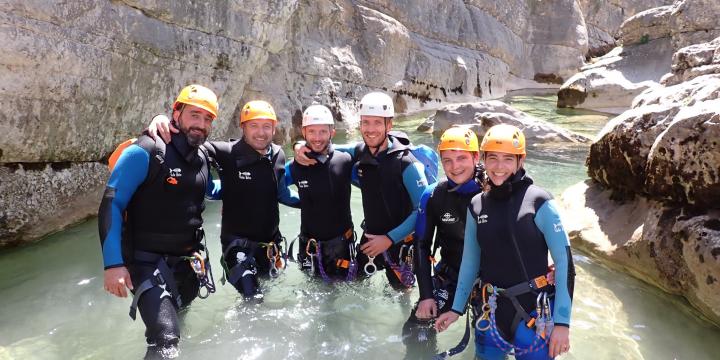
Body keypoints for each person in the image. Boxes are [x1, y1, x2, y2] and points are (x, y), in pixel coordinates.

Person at [435, 124, 576, 359]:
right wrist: (456, 309)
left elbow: (565, 263)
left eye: (508, 159)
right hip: (491, 312)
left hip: (533, 314)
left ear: (520, 160)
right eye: (493, 158)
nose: (499, 167)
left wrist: (563, 324)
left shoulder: (539, 201)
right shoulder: (477, 205)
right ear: (484, 160)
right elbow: (470, 262)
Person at [99, 84, 218, 358]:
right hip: (146, 262)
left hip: (187, 265)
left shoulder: (201, 157)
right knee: (166, 342)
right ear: (176, 113)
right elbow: (111, 204)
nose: (200, 124)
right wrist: (113, 265)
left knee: (177, 328)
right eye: (194, 115)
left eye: (207, 118)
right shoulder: (147, 149)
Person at [148, 100, 299, 300]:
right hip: (237, 246)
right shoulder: (226, 152)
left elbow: (280, 193)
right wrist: (161, 120)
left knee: (265, 291)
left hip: (270, 245)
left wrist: (313, 202)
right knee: (254, 298)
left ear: (274, 128)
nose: (261, 133)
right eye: (254, 125)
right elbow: (189, 144)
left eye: (266, 126)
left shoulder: (278, 155)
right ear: (243, 127)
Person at [294, 92, 429, 289]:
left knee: (402, 296)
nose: (370, 129)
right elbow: (326, 147)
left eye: (377, 123)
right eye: (366, 122)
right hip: (370, 240)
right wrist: (300, 146)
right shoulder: (360, 151)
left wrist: (389, 239)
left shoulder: (407, 163)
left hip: (400, 243)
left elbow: (422, 210)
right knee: (354, 286)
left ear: (389, 125)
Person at [401, 127, 484, 351]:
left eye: (461, 158)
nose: (454, 166)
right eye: (447, 160)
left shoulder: (493, 191)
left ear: (476, 157)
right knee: (415, 331)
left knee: (491, 345)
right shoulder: (433, 195)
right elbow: (421, 245)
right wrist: (426, 295)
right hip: (451, 275)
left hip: (490, 280)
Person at [285, 105, 357, 281]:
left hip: (341, 246)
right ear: (303, 132)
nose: (317, 138)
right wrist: (304, 202)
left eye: (323, 132)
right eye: (312, 132)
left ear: (332, 132)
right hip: (309, 246)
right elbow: (275, 190)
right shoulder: (295, 166)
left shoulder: (345, 161)